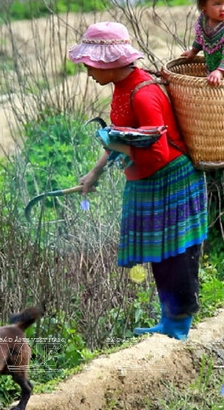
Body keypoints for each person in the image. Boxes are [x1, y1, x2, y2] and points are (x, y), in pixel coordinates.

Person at [68, 21, 208, 340]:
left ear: (108, 62)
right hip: (150, 180)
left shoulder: (144, 94)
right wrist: (95, 172)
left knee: (177, 255)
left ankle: (179, 327)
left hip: (172, 178)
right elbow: (124, 136)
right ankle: (168, 321)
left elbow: (157, 153)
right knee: (161, 255)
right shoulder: (122, 88)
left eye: (89, 64)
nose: (87, 72)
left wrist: (117, 145)